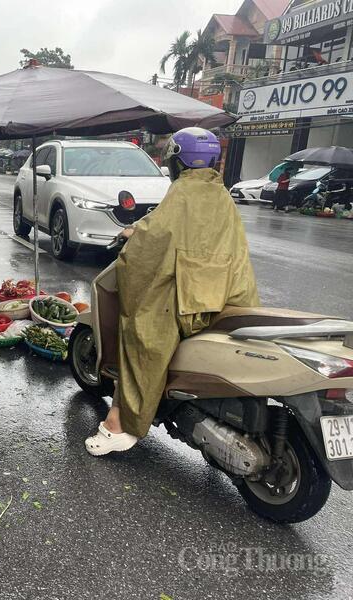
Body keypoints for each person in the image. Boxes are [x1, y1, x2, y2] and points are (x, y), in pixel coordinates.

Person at [85, 127, 259, 456]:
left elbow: (153, 244)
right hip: (229, 296)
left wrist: (131, 241)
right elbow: (182, 232)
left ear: (177, 161)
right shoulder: (219, 193)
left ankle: (120, 425)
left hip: (190, 301)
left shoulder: (183, 191)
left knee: (140, 338)